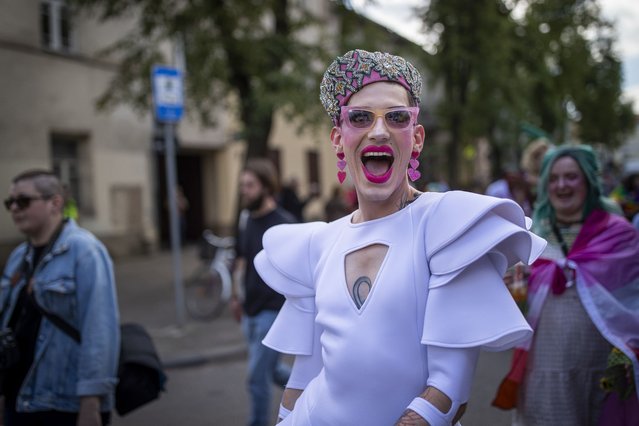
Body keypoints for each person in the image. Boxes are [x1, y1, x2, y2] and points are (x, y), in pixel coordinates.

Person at [253, 49, 546, 425]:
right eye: (359, 118)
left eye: (396, 118)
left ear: (417, 137)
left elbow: (448, 392)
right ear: (338, 138)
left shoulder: (446, 227)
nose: (378, 130)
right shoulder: (316, 244)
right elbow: (303, 377)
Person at [492, 145, 639, 425]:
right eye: (554, 178)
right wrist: (510, 291)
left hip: (603, 368)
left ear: (588, 181)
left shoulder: (619, 235)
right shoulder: (531, 238)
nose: (562, 185)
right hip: (546, 370)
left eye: (571, 177)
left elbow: (634, 300)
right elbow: (517, 309)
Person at [0, 170, 120, 426]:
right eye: (10, 203)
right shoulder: (18, 257)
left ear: (54, 203)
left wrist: (91, 403)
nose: (14, 209)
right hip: (18, 399)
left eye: (23, 201)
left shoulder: (85, 251)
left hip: (63, 404)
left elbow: (100, 331)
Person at [230, 159, 296, 426]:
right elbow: (241, 260)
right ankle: (314, 390)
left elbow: (298, 273)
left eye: (250, 185)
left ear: (267, 188)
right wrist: (236, 296)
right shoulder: (245, 219)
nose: (244, 190)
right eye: (242, 185)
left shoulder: (285, 225)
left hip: (273, 313)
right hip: (249, 312)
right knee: (271, 372)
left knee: (256, 378)